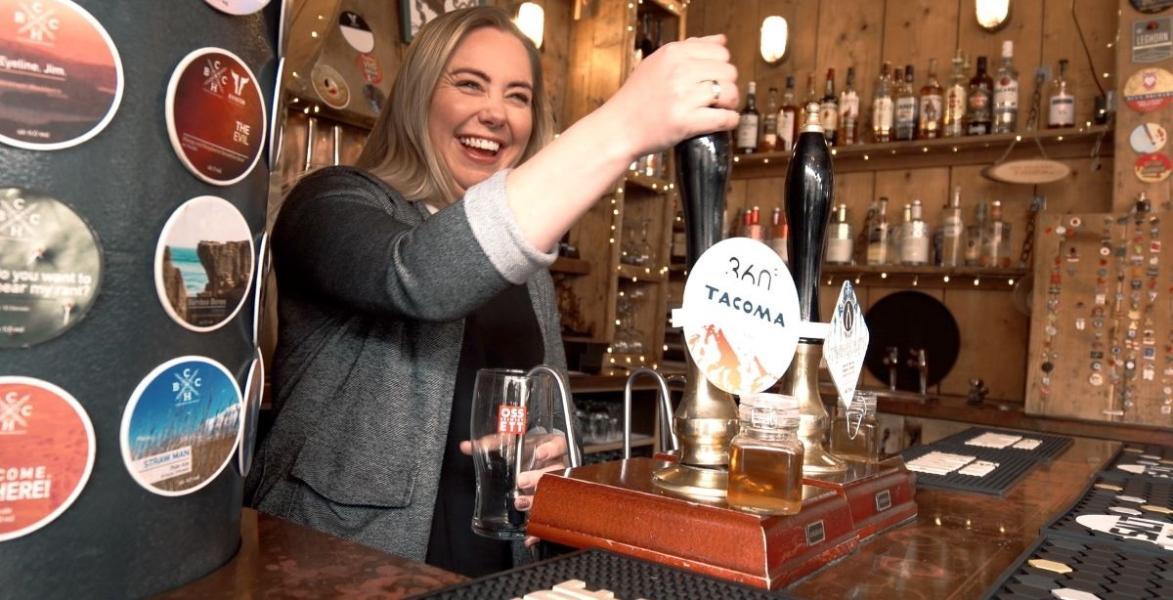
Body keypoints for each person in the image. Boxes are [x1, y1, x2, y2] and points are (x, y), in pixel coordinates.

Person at [245, 6, 738, 577]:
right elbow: (418, 277)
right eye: (469, 84)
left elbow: (553, 415)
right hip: (340, 567)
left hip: (496, 567)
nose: (495, 114)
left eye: (518, 96)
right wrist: (623, 124)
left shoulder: (524, 264)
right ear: (419, 96)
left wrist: (554, 459)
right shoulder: (329, 203)